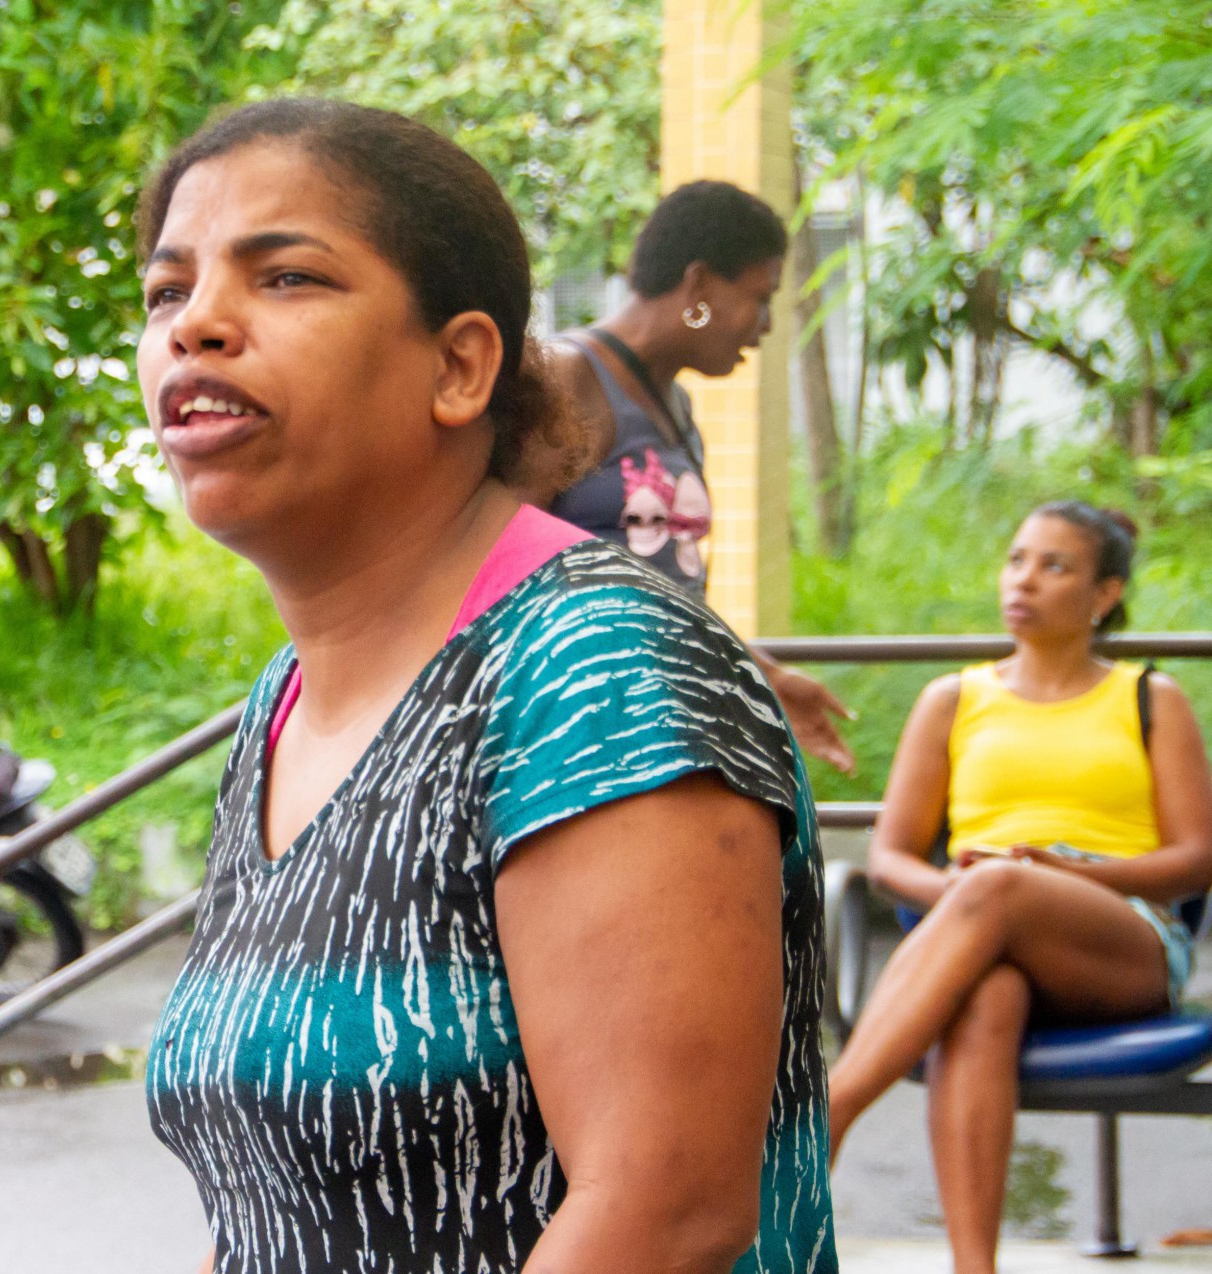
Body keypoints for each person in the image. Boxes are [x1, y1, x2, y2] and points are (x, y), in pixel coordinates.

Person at [136, 98, 835, 1274]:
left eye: (288, 277)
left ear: (460, 365)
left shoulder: (594, 667)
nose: (197, 323)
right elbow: (269, 1209)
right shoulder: (283, 705)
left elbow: (662, 1214)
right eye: (166, 292)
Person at [827, 502, 1212, 1274]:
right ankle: (976, 1269)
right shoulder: (953, 699)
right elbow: (893, 857)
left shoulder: (1149, 697)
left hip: (1122, 938)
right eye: (1016, 560)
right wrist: (969, 897)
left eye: (1054, 566)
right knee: (986, 995)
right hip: (980, 912)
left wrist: (1069, 877)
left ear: (1104, 595)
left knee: (999, 886)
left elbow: (1198, 858)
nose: (1024, 580)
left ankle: (826, 1113)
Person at [517, 182, 856, 774]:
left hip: (663, 719)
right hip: (578, 725)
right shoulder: (570, 379)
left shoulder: (675, 408)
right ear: (698, 285)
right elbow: (497, 561)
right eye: (760, 297)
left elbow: (668, 589)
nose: (767, 324)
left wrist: (766, 676)